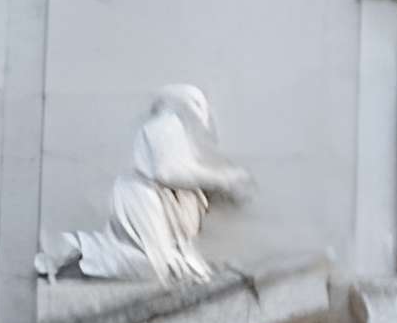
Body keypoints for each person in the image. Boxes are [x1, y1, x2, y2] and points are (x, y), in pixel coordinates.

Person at [38, 86, 249, 285]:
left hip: (152, 201)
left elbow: (181, 170)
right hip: (143, 199)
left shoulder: (176, 131)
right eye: (196, 103)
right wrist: (221, 179)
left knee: (163, 266)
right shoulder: (166, 125)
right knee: (154, 265)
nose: (202, 112)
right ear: (179, 103)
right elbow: (166, 171)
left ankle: (76, 249)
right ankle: (74, 247)